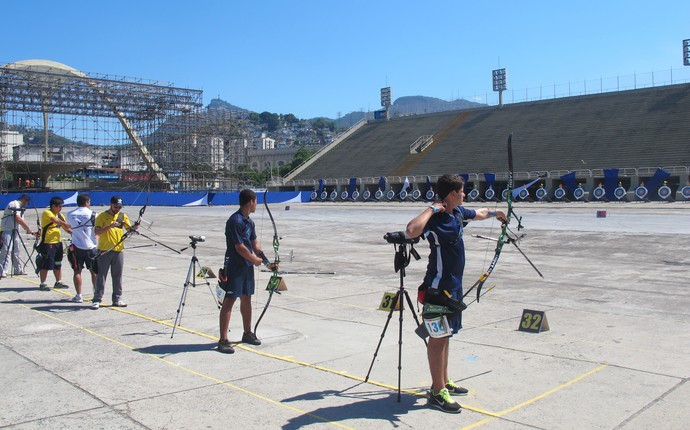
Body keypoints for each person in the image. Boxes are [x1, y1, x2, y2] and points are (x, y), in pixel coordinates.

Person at [405, 174, 506, 413]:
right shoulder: (436, 218)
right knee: (437, 339)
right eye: (462, 191)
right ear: (452, 194)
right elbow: (411, 230)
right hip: (437, 290)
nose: (465, 194)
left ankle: (444, 381)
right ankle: (437, 393)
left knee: (446, 336)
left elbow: (479, 213)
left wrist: (497, 213)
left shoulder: (458, 214)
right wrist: (431, 208)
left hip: (453, 289)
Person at [218, 189, 277, 354]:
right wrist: (254, 260)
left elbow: (255, 246)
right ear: (251, 201)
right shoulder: (234, 221)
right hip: (235, 266)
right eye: (256, 201)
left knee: (246, 299)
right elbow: (240, 247)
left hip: (246, 267)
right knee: (229, 301)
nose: (256, 204)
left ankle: (247, 333)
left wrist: (267, 263)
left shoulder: (249, 223)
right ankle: (223, 340)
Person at [92, 196, 137, 309]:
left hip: (118, 250)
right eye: (115, 207)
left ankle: (117, 298)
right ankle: (97, 299)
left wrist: (135, 227)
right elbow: (97, 231)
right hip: (104, 249)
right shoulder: (102, 216)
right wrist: (110, 226)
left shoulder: (122, 216)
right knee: (101, 275)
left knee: (117, 275)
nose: (117, 209)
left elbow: (129, 230)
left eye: (119, 207)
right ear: (110, 204)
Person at [66, 194, 98, 303]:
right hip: (91, 247)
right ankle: (96, 294)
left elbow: (69, 226)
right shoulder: (93, 214)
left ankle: (79, 295)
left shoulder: (70, 214)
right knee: (94, 271)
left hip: (77, 246)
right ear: (87, 202)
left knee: (77, 271)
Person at [38, 196, 73, 291]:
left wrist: (73, 232)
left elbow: (66, 228)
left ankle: (58, 282)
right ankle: (43, 283)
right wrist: (65, 224)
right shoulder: (47, 213)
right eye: (59, 206)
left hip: (58, 242)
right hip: (48, 242)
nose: (61, 208)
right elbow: (55, 220)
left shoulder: (61, 215)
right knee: (46, 263)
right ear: (53, 206)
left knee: (58, 262)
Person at [0, 194, 37, 278]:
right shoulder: (13, 204)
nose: (27, 205)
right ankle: (2, 271)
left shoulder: (20, 208)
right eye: (27, 203)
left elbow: (20, 220)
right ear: (25, 200)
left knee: (16, 250)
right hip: (8, 229)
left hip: (16, 230)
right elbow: (17, 218)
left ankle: (18, 270)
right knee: (6, 250)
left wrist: (29, 230)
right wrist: (27, 228)